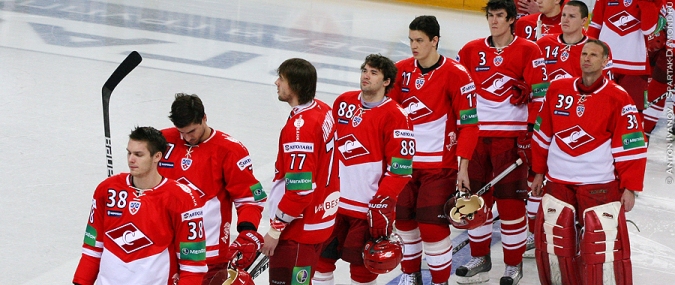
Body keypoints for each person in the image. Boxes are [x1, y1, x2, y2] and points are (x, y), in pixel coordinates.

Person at [530, 39, 647, 285]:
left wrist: (630, 187)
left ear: (606, 61)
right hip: (559, 181)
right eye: (584, 53)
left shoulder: (618, 97)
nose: (587, 58)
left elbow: (631, 146)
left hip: (599, 183)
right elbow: (542, 135)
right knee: (555, 244)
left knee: (601, 250)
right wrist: (538, 173)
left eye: (594, 55)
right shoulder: (557, 89)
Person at [455, 0, 548, 283]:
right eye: (490, 16)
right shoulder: (470, 50)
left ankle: (512, 264)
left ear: (511, 20)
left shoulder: (529, 50)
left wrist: (530, 130)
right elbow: (458, 91)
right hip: (477, 137)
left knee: (511, 205)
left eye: (500, 16)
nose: (494, 21)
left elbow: (542, 95)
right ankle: (479, 258)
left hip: (511, 139)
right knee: (473, 201)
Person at [388, 15, 480, 285]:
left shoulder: (457, 75)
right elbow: (387, 116)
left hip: (440, 167)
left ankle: (440, 282)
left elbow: (470, 125)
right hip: (404, 165)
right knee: (404, 223)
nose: (413, 46)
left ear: (435, 41)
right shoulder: (399, 71)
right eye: (411, 40)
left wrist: (463, 167)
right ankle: (410, 276)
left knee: (432, 227)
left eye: (419, 40)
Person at [311, 54, 414, 285]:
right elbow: (326, 148)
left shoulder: (397, 116)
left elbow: (401, 169)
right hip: (333, 204)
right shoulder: (343, 102)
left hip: (366, 208)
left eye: (374, 72)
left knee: (364, 271)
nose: (366, 76)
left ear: (387, 81)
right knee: (320, 263)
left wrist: (382, 201)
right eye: (365, 70)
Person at [73, 126, 207, 285]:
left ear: (157, 156)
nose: (131, 159)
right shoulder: (107, 189)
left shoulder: (183, 198)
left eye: (138, 154)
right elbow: (92, 248)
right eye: (129, 153)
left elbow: (193, 266)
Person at [158, 93, 266, 284]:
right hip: (164, 251)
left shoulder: (230, 150)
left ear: (204, 118)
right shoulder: (163, 141)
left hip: (208, 255)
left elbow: (249, 198)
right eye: (181, 132)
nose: (187, 137)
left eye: (192, 131)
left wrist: (247, 231)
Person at [261, 58, 340, 285]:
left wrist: (275, 230)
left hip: (299, 230)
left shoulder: (300, 131)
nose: (276, 83)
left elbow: (300, 191)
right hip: (320, 220)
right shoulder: (322, 109)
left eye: (282, 79)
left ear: (294, 87)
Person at [587, 0, 663, 127]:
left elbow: (648, 29)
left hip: (635, 67)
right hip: (605, 65)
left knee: (633, 114)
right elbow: (595, 27)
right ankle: (601, 145)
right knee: (600, 111)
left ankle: (635, 145)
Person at [536, 0, 613, 80]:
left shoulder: (598, 48)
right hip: (549, 92)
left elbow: (605, 83)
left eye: (571, 16)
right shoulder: (543, 43)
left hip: (582, 92)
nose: (565, 20)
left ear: (583, 21)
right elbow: (536, 77)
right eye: (563, 15)